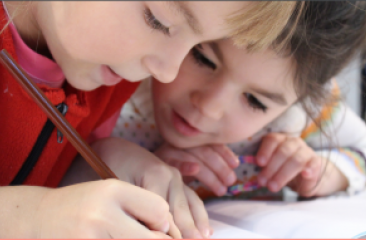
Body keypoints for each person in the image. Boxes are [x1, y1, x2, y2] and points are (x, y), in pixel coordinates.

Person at [0, 1, 301, 238]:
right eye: (160, 21)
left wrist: (95, 168)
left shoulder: (108, 77)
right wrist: (35, 218)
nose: (167, 72)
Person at [108, 1, 366, 199]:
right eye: (203, 59)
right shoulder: (114, 84)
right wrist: (130, 169)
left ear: (301, 101)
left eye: (255, 101)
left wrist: (326, 172)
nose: (209, 107)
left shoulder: (300, 118)